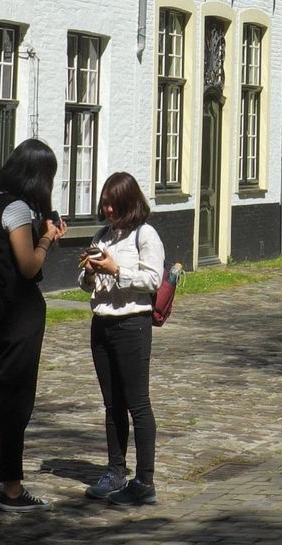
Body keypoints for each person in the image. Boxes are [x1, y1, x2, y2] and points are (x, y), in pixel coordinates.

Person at [0, 138, 67, 512]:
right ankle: (11, 488)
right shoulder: (19, 210)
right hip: (17, 315)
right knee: (15, 400)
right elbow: (28, 266)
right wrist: (47, 240)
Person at [79, 171, 164, 507]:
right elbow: (86, 286)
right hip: (102, 325)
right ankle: (116, 470)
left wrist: (116, 271)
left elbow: (153, 279)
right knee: (111, 403)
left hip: (132, 325)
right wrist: (89, 272)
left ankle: (145, 481)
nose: (108, 210)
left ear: (128, 203)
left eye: (113, 204)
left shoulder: (146, 235)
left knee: (137, 403)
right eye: (104, 204)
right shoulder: (103, 236)